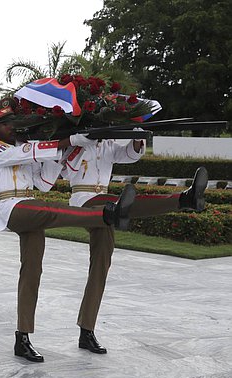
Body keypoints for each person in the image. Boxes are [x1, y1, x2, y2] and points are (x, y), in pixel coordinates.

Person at [0, 97, 139, 363]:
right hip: (12, 209)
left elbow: (43, 182)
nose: (12, 127)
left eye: (13, 123)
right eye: (6, 124)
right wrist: (68, 141)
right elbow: (24, 154)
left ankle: (23, 338)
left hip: (31, 204)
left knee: (32, 271)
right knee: (49, 211)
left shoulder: (26, 146)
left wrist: (66, 149)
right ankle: (106, 214)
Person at [60, 137, 208, 354]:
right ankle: (184, 199)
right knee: (121, 205)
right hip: (84, 200)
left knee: (101, 267)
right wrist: (82, 140)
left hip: (106, 204)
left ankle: (87, 331)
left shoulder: (107, 144)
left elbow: (128, 154)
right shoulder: (78, 142)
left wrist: (138, 138)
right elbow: (64, 170)